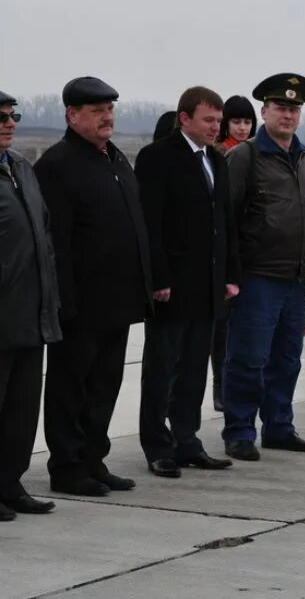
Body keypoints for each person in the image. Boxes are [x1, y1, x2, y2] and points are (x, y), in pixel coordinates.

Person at [34, 77, 153, 497]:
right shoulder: (57, 164)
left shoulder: (115, 159)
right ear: (72, 114)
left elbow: (134, 227)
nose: (108, 117)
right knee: (71, 388)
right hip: (80, 305)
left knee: (104, 386)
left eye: (110, 109)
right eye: (97, 110)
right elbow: (56, 242)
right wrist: (63, 301)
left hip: (118, 302)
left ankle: (92, 460)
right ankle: (66, 468)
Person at [221, 74, 305, 462]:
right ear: (263, 111)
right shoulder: (244, 157)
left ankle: (279, 427)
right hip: (257, 277)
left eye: (294, 109)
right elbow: (226, 219)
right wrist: (230, 273)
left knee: (287, 357)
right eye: (280, 108)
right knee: (249, 357)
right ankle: (238, 430)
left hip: (295, 278)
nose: (288, 115)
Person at [135, 87, 240, 478]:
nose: (216, 128)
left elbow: (224, 225)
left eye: (218, 121)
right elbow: (151, 223)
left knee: (195, 367)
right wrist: (157, 277)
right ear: (184, 119)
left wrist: (231, 274)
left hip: (207, 285)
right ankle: (157, 446)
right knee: (163, 367)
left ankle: (187, 441)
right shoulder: (158, 158)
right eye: (208, 120)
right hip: (172, 286)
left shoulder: (216, 160)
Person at [0, 90, 62, 520]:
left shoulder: (21, 167)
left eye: (11, 115)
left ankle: (9, 484)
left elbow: (44, 235)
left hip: (30, 311)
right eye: (0, 117)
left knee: (21, 409)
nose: (8, 123)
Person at [208, 95, 257, 411]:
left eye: (247, 122)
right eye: (236, 121)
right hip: (226, 254)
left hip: (252, 256)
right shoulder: (219, 156)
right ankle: (220, 387)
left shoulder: (257, 154)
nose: (241, 127)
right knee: (222, 328)